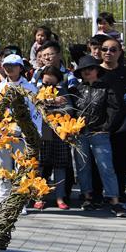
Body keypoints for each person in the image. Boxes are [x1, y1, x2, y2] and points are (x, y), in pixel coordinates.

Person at [71, 55, 126, 217]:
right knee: (82, 167)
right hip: (79, 134)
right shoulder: (76, 90)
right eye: (84, 70)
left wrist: (105, 128)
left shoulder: (106, 88)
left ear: (97, 70)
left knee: (106, 167)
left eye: (91, 68)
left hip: (99, 134)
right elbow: (71, 111)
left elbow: (115, 109)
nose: (87, 72)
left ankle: (115, 201)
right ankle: (87, 197)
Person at [0, 54, 39, 205]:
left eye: (13, 65)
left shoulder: (30, 88)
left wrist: (34, 133)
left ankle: (20, 202)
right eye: (6, 66)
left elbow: (35, 113)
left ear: (20, 68)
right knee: (3, 168)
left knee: (22, 168)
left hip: (23, 133)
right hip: (3, 135)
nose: (9, 69)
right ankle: (4, 200)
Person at [36, 66, 74, 210]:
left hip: (59, 132)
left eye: (52, 84)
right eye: (46, 83)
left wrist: (52, 107)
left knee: (60, 165)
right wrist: (53, 102)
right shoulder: (36, 89)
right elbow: (36, 107)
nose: (48, 87)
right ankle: (39, 195)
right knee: (40, 165)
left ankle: (60, 197)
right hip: (42, 131)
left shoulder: (63, 90)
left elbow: (69, 110)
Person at [99, 37, 126, 201]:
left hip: (122, 124)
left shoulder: (125, 72)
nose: (108, 52)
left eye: (113, 49)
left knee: (120, 160)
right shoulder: (94, 71)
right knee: (99, 162)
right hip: (98, 124)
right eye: (104, 49)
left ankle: (119, 193)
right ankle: (97, 194)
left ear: (119, 52)